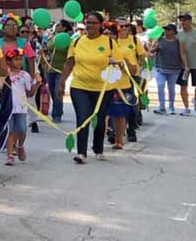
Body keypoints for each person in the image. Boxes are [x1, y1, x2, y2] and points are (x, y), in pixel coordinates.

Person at [57, 12, 117, 164]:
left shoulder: (109, 43)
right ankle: (81, 152)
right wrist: (62, 83)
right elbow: (70, 63)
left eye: (94, 23)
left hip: (103, 89)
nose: (90, 26)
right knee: (83, 118)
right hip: (80, 86)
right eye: (88, 22)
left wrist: (115, 63)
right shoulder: (77, 41)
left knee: (100, 120)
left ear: (101, 25)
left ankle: (98, 148)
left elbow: (119, 64)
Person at [2, 48, 38, 166]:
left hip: (21, 108)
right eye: (16, 59)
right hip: (8, 108)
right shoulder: (4, 75)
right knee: (10, 131)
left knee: (22, 129)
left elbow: (30, 93)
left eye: (20, 59)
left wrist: (37, 84)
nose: (19, 62)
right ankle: (10, 155)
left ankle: (20, 145)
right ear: (8, 62)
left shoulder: (25, 75)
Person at [109, 21, 142, 148]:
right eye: (120, 26)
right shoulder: (112, 41)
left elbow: (141, 56)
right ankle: (114, 132)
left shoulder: (134, 40)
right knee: (114, 105)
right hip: (114, 77)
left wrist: (137, 67)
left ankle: (131, 130)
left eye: (126, 26)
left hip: (132, 76)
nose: (123, 28)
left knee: (130, 105)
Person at [152, 24, 186, 114]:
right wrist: (154, 46)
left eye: (168, 29)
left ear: (174, 32)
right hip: (160, 68)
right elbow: (152, 51)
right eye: (165, 29)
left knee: (171, 88)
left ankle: (171, 106)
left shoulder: (178, 42)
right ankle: (162, 106)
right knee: (160, 85)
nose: (166, 31)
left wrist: (186, 66)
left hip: (174, 69)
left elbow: (182, 53)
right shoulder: (160, 40)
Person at [44, 20, 73, 123]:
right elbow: (48, 48)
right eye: (56, 25)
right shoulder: (52, 37)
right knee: (52, 91)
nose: (56, 27)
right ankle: (57, 108)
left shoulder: (68, 39)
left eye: (59, 25)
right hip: (50, 68)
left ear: (64, 28)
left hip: (61, 69)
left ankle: (57, 114)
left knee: (58, 91)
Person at [175, 13, 196, 114]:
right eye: (181, 20)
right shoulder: (178, 34)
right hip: (183, 65)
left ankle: (195, 99)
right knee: (183, 86)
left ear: (190, 21)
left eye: (184, 20)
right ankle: (186, 107)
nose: (182, 22)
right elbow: (179, 49)